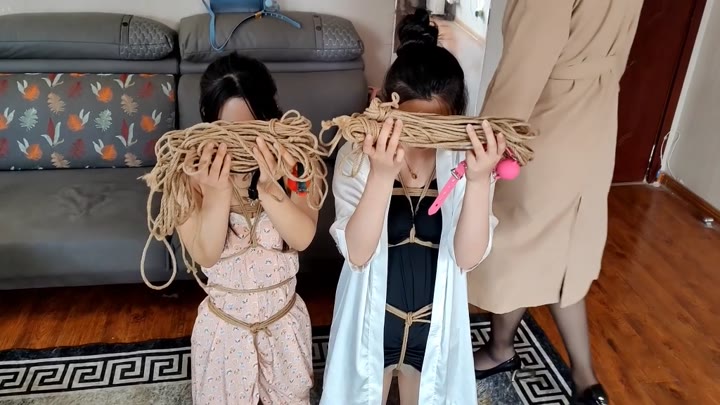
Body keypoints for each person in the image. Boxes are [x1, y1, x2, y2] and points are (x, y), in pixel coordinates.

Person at [321, 9, 505, 405]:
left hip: (432, 330)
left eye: (434, 129)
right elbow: (357, 254)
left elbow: (468, 258)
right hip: (371, 326)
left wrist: (478, 182)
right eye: (411, 128)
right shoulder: (359, 155)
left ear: (456, 119)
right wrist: (381, 175)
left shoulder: (465, 162)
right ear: (385, 108)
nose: (420, 143)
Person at [468, 1, 643, 404]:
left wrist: (490, 139)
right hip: (598, 113)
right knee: (565, 247)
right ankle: (586, 381)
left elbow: (525, 66)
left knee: (512, 237)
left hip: (549, 120)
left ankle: (500, 350)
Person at [180, 52, 317, 405]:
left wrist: (271, 190)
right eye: (229, 134)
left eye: (252, 131)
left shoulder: (298, 165)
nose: (241, 146)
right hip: (224, 332)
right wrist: (216, 194)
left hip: (284, 327)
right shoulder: (186, 176)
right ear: (209, 125)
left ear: (271, 119)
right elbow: (206, 254)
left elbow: (302, 237)